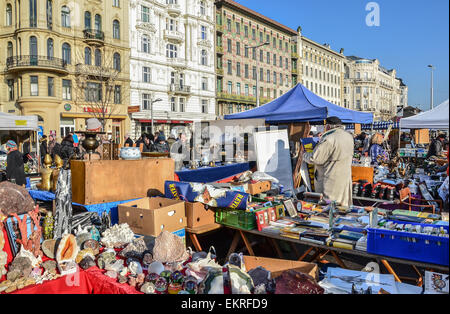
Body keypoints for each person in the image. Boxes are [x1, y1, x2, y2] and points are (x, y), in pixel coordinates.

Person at [302, 117, 354, 207]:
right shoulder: (348, 136)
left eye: (325, 126)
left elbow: (315, 159)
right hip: (344, 178)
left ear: (328, 126)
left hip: (331, 180)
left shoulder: (329, 138)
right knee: (342, 207)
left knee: (329, 209)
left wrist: (304, 155)